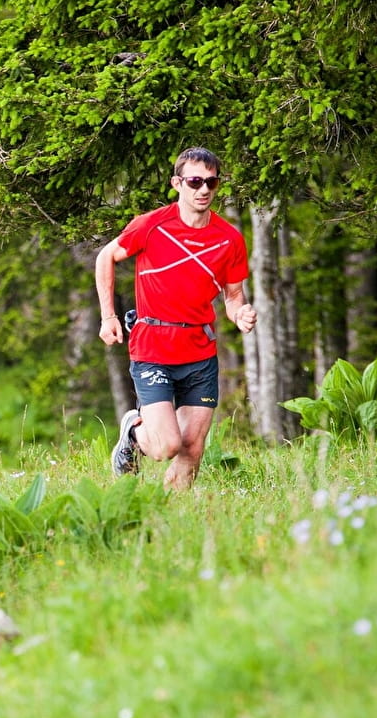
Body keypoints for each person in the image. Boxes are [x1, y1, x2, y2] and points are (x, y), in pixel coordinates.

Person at [94, 147, 257, 491]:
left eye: (211, 183)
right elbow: (107, 256)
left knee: (192, 447)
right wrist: (108, 316)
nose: (203, 190)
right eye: (195, 181)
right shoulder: (152, 225)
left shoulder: (229, 239)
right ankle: (134, 432)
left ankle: (171, 518)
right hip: (153, 346)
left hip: (199, 351)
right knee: (167, 445)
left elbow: (232, 295)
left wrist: (239, 312)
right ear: (178, 183)